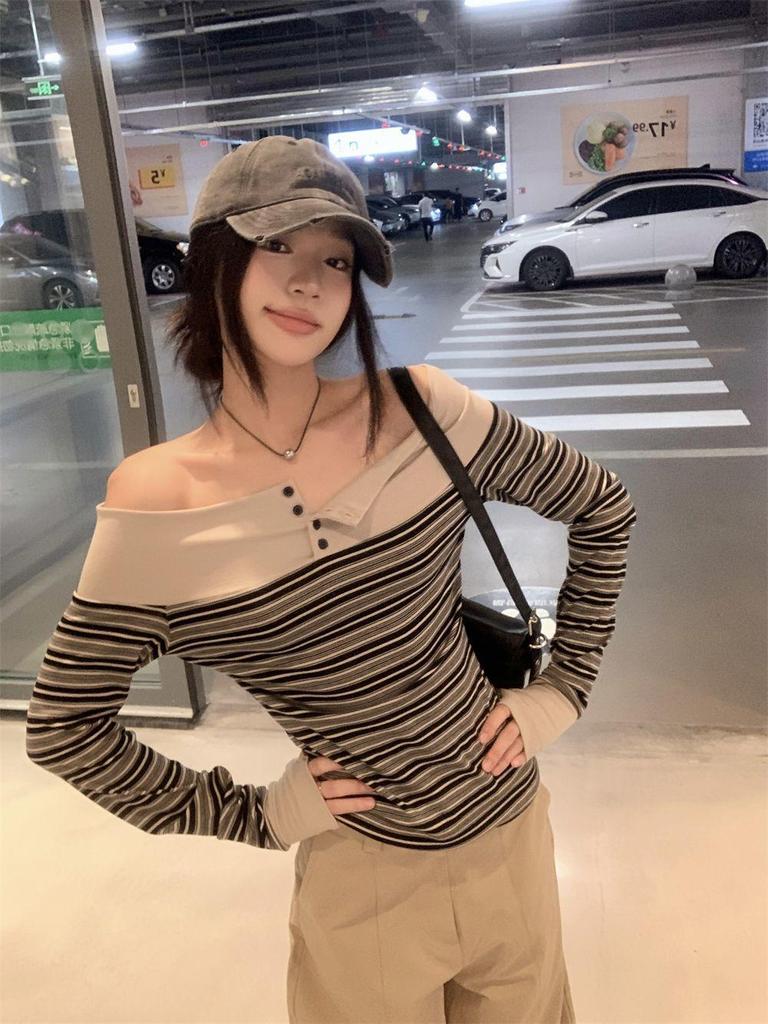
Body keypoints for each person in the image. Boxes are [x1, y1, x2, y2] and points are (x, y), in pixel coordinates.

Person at [26, 135, 638, 1023]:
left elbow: (603, 507)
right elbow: (66, 728)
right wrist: (256, 814)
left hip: (511, 839)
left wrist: (563, 691)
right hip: (363, 882)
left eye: (337, 259)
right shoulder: (160, 504)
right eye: (277, 245)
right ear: (213, 263)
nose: (309, 281)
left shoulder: (422, 411)